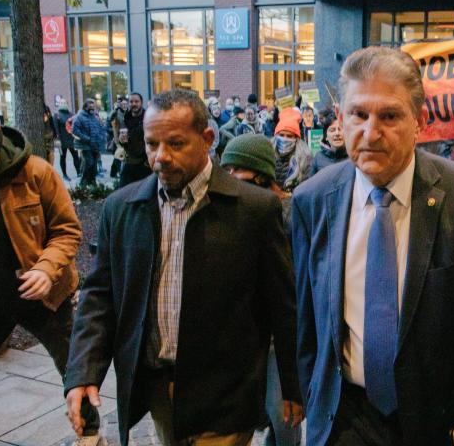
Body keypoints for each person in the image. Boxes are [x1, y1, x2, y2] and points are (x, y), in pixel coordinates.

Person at [292, 46, 454, 445]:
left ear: (418, 122)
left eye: (389, 116)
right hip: (344, 422)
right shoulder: (311, 201)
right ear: (341, 118)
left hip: (438, 425)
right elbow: (307, 325)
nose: (370, 132)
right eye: (358, 114)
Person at [63, 89, 301, 445]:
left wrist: (291, 384)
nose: (161, 157)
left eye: (175, 144)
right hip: (156, 390)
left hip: (224, 395)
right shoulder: (122, 208)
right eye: (151, 144)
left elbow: (283, 306)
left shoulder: (255, 209)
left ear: (207, 140)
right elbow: (100, 296)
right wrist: (83, 371)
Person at [0, 82, 103, 445]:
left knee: (76, 373)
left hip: (45, 298)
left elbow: (67, 230)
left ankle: (92, 437)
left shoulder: (35, 171)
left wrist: (46, 269)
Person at [219, 134, 300, 445]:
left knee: (284, 416)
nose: (229, 179)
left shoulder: (289, 212)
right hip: (243, 332)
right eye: (225, 171)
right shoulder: (232, 209)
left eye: (236, 170)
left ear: (260, 175)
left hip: (278, 337)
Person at [272, 108, 313, 192]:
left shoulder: (305, 158)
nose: (285, 139)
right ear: (276, 135)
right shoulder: (267, 153)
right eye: (282, 135)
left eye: (289, 136)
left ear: (296, 138)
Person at [118, 93, 150, 188]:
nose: (134, 104)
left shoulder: (148, 118)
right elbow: (123, 139)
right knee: (123, 191)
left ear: (141, 103)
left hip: (144, 163)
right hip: (129, 161)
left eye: (136, 101)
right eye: (131, 101)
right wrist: (121, 140)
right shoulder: (126, 118)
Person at [73, 98, 107, 186]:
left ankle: (92, 181)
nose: (92, 108)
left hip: (95, 144)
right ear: (85, 107)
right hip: (85, 145)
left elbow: (100, 128)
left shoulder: (95, 117)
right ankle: (83, 183)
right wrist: (86, 138)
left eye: (93, 106)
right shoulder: (79, 117)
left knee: (94, 164)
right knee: (89, 162)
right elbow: (75, 130)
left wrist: (100, 138)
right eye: (90, 106)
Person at [53, 98, 82, 180]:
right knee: (63, 157)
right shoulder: (57, 115)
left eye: (65, 102)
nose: (63, 103)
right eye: (62, 102)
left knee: (75, 156)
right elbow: (56, 128)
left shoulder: (71, 115)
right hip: (62, 140)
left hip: (71, 139)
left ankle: (79, 172)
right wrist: (57, 140)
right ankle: (64, 174)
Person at [310, 108, 347, 173]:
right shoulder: (318, 158)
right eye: (332, 130)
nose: (337, 133)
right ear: (326, 136)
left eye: (340, 129)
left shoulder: (354, 157)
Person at [109, 97, 129, 178]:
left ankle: (113, 173)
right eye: (123, 104)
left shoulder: (129, 113)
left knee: (120, 155)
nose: (124, 106)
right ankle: (119, 172)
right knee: (119, 154)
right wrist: (116, 139)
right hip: (118, 136)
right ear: (120, 105)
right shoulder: (116, 113)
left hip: (127, 136)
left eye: (126, 104)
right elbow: (113, 126)